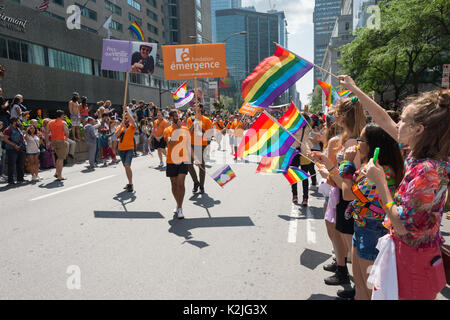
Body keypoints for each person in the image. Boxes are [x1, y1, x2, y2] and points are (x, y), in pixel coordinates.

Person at [340, 75, 449, 300]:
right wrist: (355, 89)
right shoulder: (418, 154)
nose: (396, 124)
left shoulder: (426, 170)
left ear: (418, 129)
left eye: (402, 120)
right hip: (408, 255)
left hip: (413, 262)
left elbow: (402, 226)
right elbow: (382, 118)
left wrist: (380, 182)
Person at [311, 96, 366, 287]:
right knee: (347, 241)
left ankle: (358, 289)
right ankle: (351, 280)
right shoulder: (348, 139)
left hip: (349, 199)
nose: (334, 115)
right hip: (341, 195)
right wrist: (328, 168)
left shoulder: (353, 142)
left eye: (337, 112)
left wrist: (329, 169)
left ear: (344, 116)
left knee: (354, 248)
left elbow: (351, 180)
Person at [164, 110, 191, 219]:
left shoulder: (185, 129)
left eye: (178, 115)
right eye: (175, 116)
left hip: (183, 159)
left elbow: (189, 146)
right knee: (174, 185)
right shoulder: (167, 130)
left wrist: (196, 159)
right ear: (171, 118)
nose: (177, 117)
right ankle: (178, 202)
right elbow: (170, 143)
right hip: (171, 160)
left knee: (181, 184)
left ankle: (180, 208)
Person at [290, 113, 317, 206]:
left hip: (294, 152)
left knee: (294, 176)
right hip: (304, 152)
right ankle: (305, 198)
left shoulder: (294, 127)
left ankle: (295, 196)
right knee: (304, 176)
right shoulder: (308, 127)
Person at [186, 103, 213, 194]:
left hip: (201, 144)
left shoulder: (206, 120)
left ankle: (201, 186)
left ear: (200, 108)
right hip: (191, 144)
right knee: (189, 163)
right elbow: (188, 132)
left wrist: (201, 129)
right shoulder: (190, 119)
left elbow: (209, 134)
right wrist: (194, 124)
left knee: (201, 165)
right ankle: (196, 182)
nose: (195, 107)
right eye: (194, 106)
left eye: (197, 105)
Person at [115, 107, 137, 192]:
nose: (126, 118)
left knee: (127, 165)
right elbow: (116, 136)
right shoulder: (120, 127)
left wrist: (127, 111)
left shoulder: (132, 126)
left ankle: (131, 184)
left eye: (127, 117)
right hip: (121, 149)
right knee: (126, 167)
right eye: (124, 117)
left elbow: (134, 123)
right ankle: (129, 183)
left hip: (129, 149)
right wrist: (121, 126)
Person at [46, 110, 69, 181]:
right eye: (63, 115)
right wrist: (65, 138)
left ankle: (56, 173)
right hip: (61, 140)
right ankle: (59, 176)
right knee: (61, 159)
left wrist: (47, 142)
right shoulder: (63, 122)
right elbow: (67, 132)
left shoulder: (50, 122)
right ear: (61, 115)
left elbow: (46, 133)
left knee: (58, 157)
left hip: (53, 141)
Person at [3, 117, 26, 185]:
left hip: (20, 149)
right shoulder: (8, 129)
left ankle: (20, 179)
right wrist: (14, 145)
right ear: (14, 122)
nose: (20, 123)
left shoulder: (18, 129)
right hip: (12, 150)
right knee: (11, 165)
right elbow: (5, 139)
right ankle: (11, 180)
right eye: (18, 121)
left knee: (20, 165)